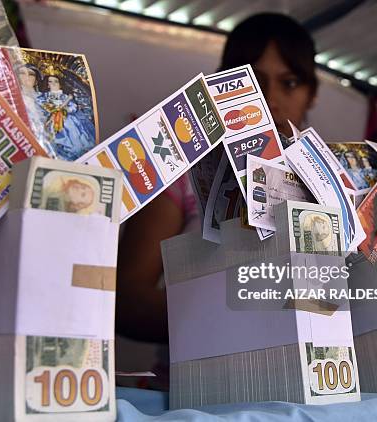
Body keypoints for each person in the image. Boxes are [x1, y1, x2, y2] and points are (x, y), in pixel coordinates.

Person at [115, 13, 319, 384]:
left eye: (288, 83)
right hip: (196, 394)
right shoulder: (185, 173)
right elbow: (125, 300)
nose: (269, 99)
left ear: (311, 94)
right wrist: (224, 315)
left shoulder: (331, 183)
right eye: (252, 81)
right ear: (222, 87)